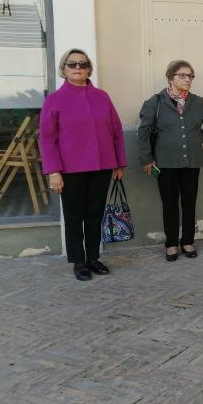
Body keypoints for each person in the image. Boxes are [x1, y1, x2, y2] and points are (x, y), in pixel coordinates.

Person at [39, 49, 126, 281]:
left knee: (95, 214)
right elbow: (47, 138)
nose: (78, 67)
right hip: (70, 170)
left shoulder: (102, 96)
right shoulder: (54, 100)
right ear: (63, 68)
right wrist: (53, 171)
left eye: (82, 63)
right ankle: (79, 261)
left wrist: (119, 163)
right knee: (75, 216)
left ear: (88, 68)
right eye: (72, 64)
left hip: (102, 166)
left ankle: (93, 258)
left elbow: (116, 131)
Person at [138, 60, 203, 261]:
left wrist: (198, 138)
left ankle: (188, 241)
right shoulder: (155, 102)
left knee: (189, 202)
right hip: (165, 163)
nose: (187, 79)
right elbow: (144, 131)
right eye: (182, 75)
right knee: (170, 204)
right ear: (170, 77)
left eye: (190, 76)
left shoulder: (198, 102)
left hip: (192, 162)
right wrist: (146, 158)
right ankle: (172, 243)